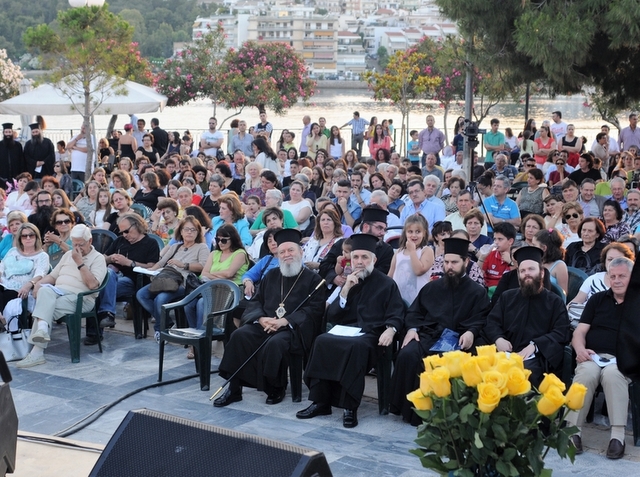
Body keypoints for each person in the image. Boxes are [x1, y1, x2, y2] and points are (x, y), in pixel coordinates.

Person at [296, 234, 404, 428]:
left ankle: (349, 407)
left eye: (364, 257)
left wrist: (390, 330)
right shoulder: (349, 281)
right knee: (322, 341)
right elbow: (333, 315)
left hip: (372, 334)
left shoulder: (387, 284)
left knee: (355, 347)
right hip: (347, 330)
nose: (360, 262)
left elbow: (396, 313)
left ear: (374, 260)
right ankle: (320, 402)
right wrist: (345, 290)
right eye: (356, 257)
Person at [214, 229, 324, 407]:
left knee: (276, 343)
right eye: (282, 252)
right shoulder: (271, 275)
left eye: (291, 250)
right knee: (239, 335)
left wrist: (285, 321)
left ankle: (275, 387)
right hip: (265, 323)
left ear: (300, 252)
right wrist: (260, 319)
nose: (286, 255)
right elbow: (256, 301)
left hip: (293, 329)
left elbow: (314, 309)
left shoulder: (314, 279)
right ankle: (234, 389)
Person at [390, 237, 491, 424]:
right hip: (429, 336)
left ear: (466, 262)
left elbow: (483, 318)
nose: (449, 267)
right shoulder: (431, 288)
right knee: (407, 355)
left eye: (454, 262)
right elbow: (414, 312)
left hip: (460, 339)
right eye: (446, 262)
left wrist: (471, 332)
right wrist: (412, 329)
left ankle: (451, 416)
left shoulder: (477, 292)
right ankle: (410, 410)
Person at [566, 256, 634, 459]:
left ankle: (617, 437)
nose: (617, 280)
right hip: (592, 356)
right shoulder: (597, 300)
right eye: (613, 276)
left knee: (614, 375)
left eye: (622, 276)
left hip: (623, 359)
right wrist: (580, 350)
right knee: (585, 374)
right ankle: (572, 432)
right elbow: (579, 332)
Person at [16, 224, 107, 368]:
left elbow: (93, 285)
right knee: (44, 291)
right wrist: (38, 284)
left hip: (80, 298)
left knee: (44, 307)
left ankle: (37, 352)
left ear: (90, 241)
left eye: (81, 244)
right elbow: (53, 276)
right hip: (58, 293)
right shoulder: (68, 255)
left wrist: (79, 262)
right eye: (74, 244)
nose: (77, 248)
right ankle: (42, 331)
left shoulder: (98, 258)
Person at [483, 246, 570, 386]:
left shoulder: (554, 302)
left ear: (542, 273)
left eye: (531, 269)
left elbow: (561, 332)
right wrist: (498, 338)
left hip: (537, 358)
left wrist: (536, 345)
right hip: (505, 353)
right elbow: (491, 322)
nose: (526, 274)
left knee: (525, 374)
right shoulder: (507, 297)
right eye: (522, 271)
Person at [86, 214, 160, 344]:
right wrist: (110, 258)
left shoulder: (150, 243)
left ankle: (97, 330)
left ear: (137, 225)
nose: (124, 235)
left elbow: (152, 267)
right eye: (121, 232)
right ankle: (106, 315)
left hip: (135, 280)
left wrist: (129, 263)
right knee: (101, 284)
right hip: (115, 277)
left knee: (99, 289)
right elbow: (102, 258)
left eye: (126, 231)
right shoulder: (120, 241)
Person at [136, 215, 210, 342]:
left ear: (198, 232)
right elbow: (161, 262)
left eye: (193, 230)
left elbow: (203, 266)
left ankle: (160, 329)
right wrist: (151, 270)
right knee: (141, 294)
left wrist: (184, 265)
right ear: (181, 231)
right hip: (166, 278)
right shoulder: (175, 246)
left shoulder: (202, 247)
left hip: (183, 282)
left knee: (160, 299)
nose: (189, 232)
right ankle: (167, 322)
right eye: (186, 229)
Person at [183, 224, 249, 357]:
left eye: (224, 240)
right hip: (211, 288)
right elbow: (204, 274)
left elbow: (230, 273)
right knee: (188, 304)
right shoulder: (214, 253)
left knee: (202, 303)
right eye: (218, 239)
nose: (220, 243)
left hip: (230, 291)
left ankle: (201, 343)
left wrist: (213, 275)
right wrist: (221, 275)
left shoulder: (240, 253)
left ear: (233, 239)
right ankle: (195, 339)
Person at [319, 207, 395, 290]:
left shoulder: (386, 250)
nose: (383, 233)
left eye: (385, 229)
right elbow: (324, 265)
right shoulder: (344, 244)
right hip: (335, 290)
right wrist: (334, 277)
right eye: (379, 228)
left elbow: (381, 275)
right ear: (365, 227)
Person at [0, 223, 49, 328]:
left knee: (7, 295)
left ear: (36, 237)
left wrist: (29, 284)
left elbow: (40, 273)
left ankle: (5, 322)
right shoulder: (13, 251)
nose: (28, 238)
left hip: (21, 289)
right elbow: (2, 265)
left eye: (31, 235)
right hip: (4, 284)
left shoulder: (42, 256)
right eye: (24, 236)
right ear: (20, 238)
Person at [388, 214, 434, 305]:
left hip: (419, 302)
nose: (414, 235)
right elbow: (390, 276)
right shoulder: (398, 252)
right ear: (405, 233)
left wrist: (412, 251)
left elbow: (418, 271)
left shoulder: (427, 251)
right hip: (398, 301)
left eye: (418, 232)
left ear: (424, 233)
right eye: (410, 232)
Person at [478, 222, 516, 288]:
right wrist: (482, 258)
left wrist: (511, 262)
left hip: (506, 290)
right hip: (487, 289)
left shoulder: (516, 256)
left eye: (500, 239)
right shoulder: (490, 254)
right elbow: (477, 275)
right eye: (495, 239)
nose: (496, 242)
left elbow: (517, 279)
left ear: (510, 241)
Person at [533, 228, 569, 294]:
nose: (532, 247)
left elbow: (563, 293)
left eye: (534, 245)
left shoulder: (560, 266)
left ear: (544, 248)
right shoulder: (536, 262)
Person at [0, 123, 24, 189]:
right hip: (2, 177)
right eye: (6, 132)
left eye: (9, 132)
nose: (8, 134)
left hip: (16, 176)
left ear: (12, 133)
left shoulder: (18, 145)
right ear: (3, 133)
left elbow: (22, 160)